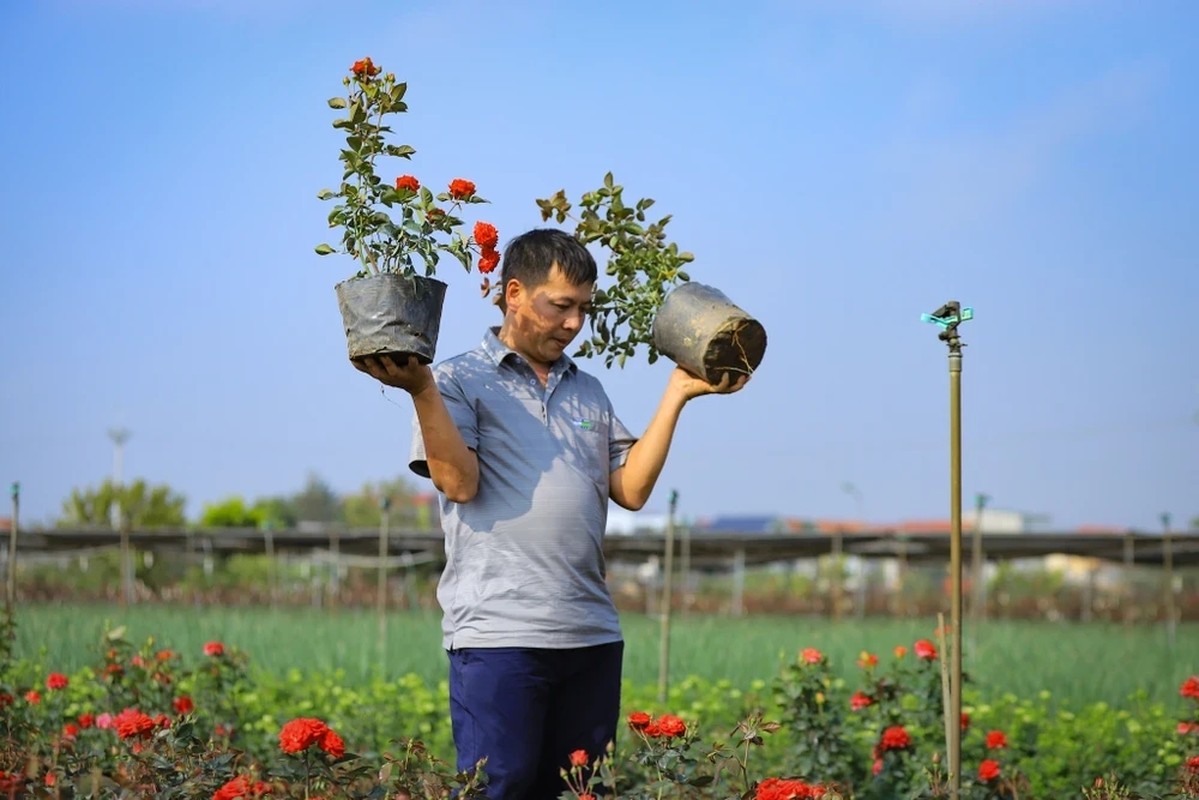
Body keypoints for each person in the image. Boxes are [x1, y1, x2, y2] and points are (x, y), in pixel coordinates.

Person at [353, 228, 747, 799]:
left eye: (583, 309)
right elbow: (458, 483)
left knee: (580, 790)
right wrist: (420, 390)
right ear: (515, 293)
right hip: (498, 636)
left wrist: (678, 393)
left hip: (590, 633)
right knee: (502, 786)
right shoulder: (456, 381)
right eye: (561, 306)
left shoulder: (589, 392)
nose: (573, 324)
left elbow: (631, 490)